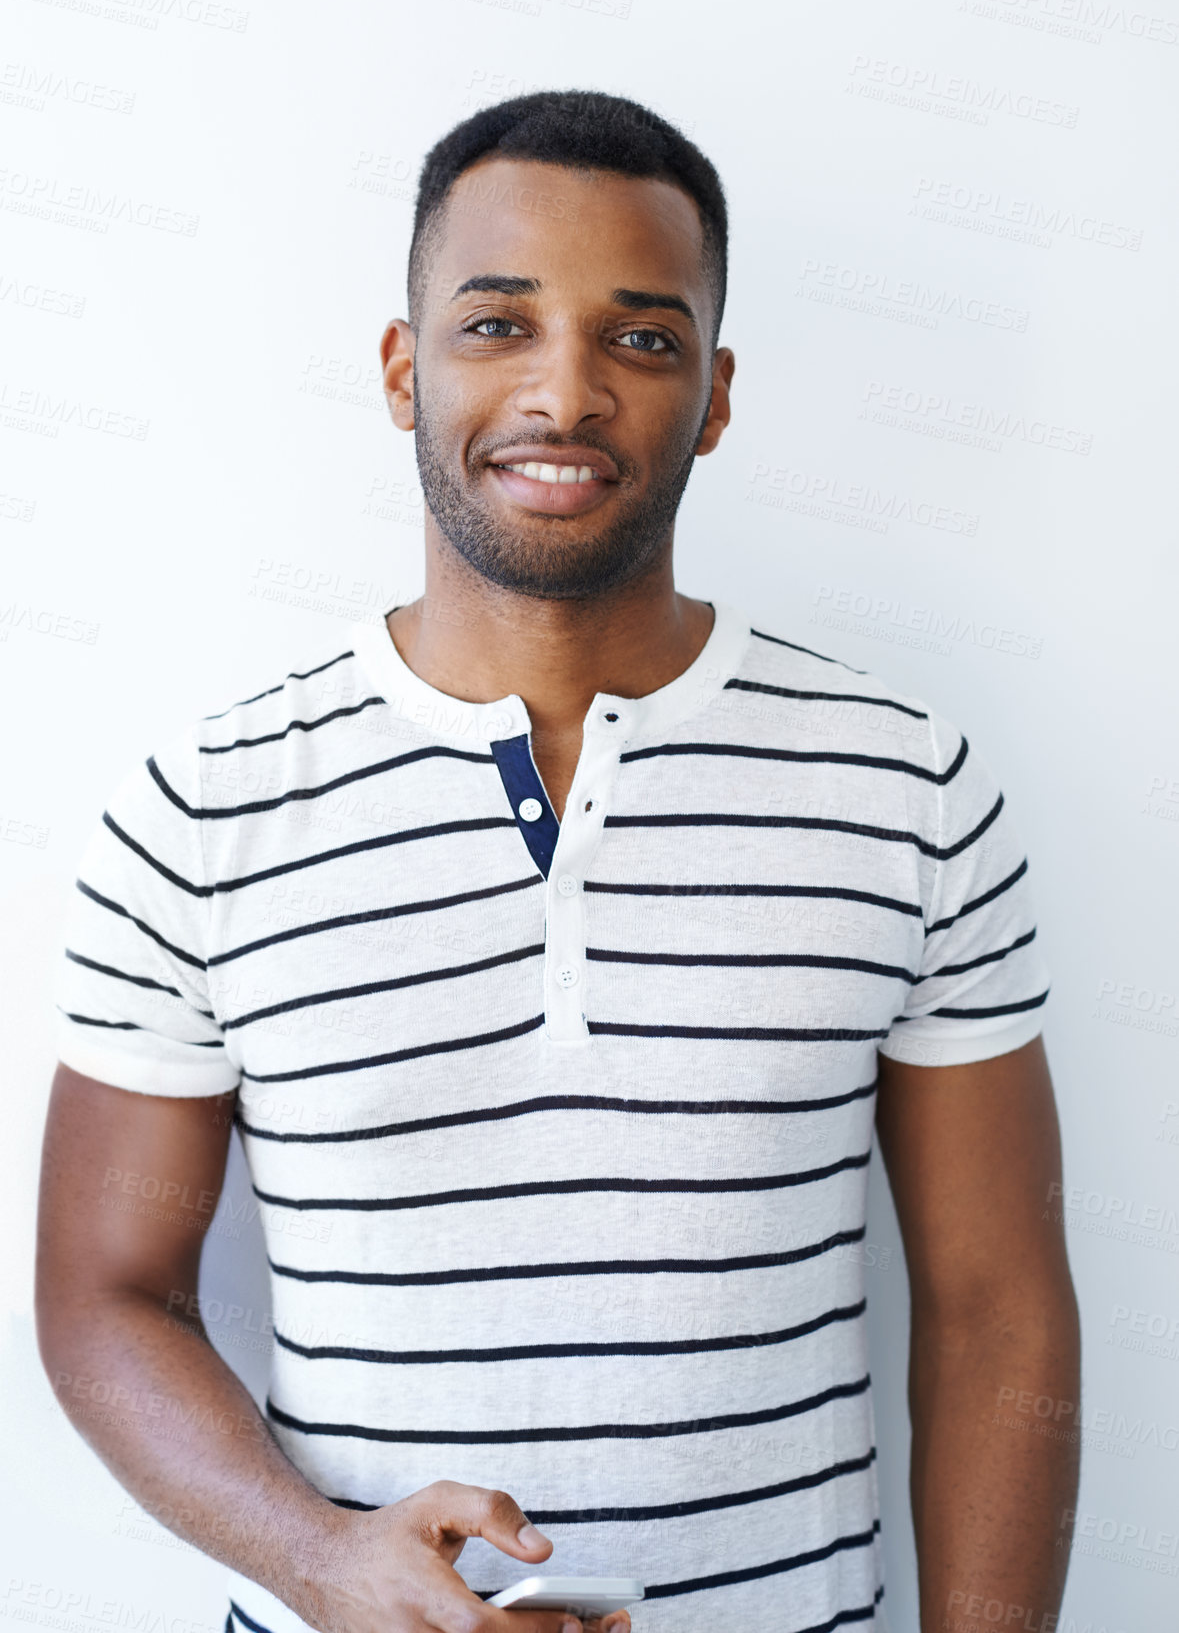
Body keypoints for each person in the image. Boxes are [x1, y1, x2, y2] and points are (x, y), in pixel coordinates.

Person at [36, 90, 1080, 1633]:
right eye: (498, 324)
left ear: (714, 397)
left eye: (641, 339)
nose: (566, 391)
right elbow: (102, 1297)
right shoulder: (208, 809)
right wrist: (318, 1561)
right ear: (405, 371)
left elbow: (998, 1315)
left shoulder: (907, 784)